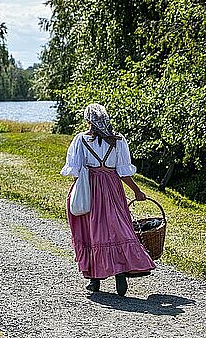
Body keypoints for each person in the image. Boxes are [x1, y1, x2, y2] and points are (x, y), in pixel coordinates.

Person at [61, 103, 155, 296]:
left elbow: (76, 170)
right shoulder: (119, 140)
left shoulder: (81, 140)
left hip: (91, 189)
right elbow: (123, 172)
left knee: (91, 230)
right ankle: (120, 274)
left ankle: (95, 281)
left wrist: (83, 186)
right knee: (117, 228)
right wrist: (137, 191)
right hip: (113, 189)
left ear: (88, 120)